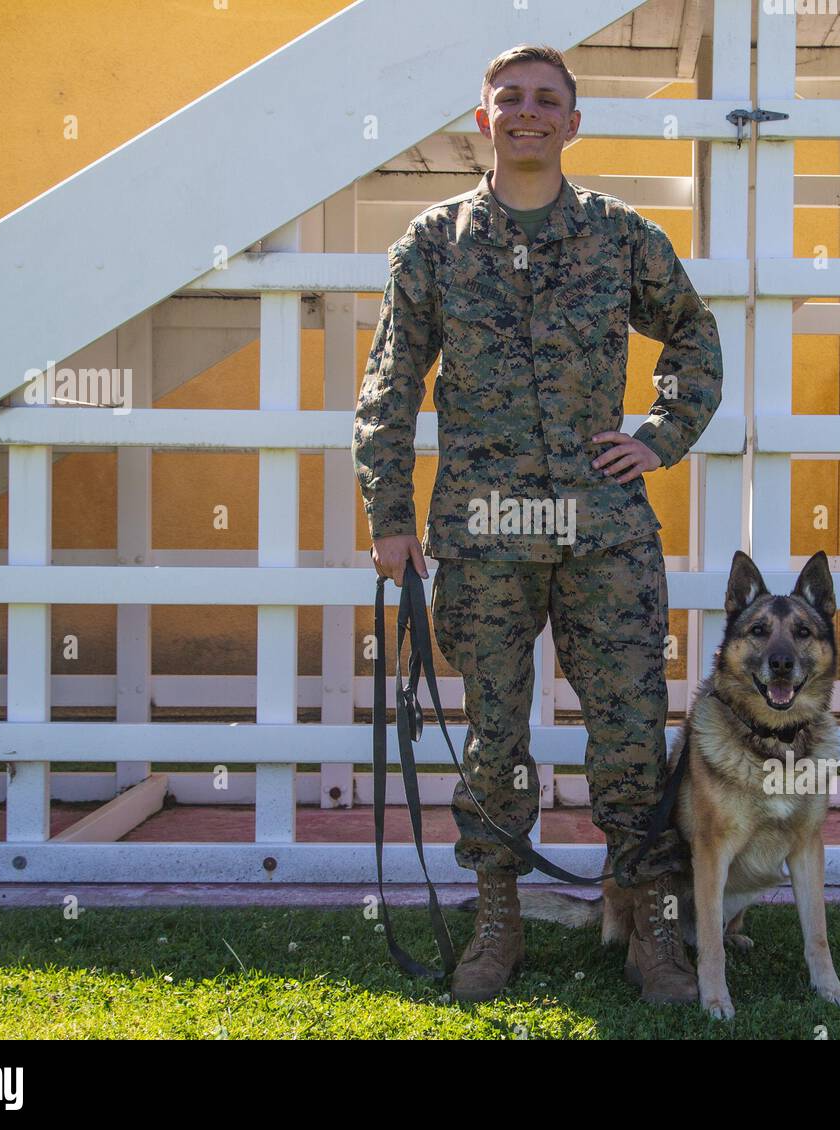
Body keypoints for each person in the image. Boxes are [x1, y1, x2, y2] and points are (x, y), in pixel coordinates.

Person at [352, 43, 723, 1004]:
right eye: (509, 98)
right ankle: (496, 924)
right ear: (483, 119)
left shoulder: (618, 236)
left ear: (572, 123)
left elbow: (694, 332)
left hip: (604, 534)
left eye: (546, 100)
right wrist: (390, 516)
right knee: (491, 738)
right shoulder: (432, 245)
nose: (527, 112)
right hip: (482, 539)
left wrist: (660, 434)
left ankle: (655, 930)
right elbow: (390, 385)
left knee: (635, 737)